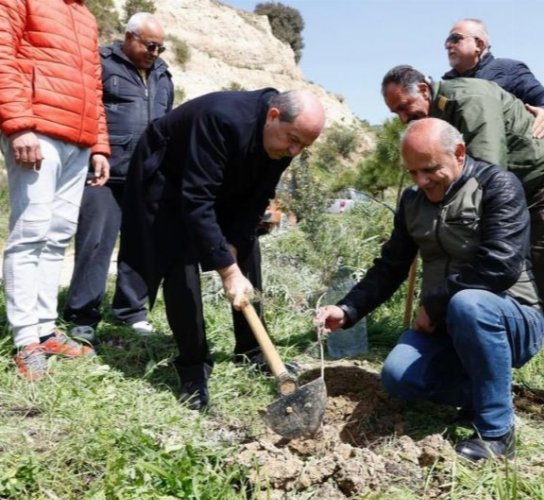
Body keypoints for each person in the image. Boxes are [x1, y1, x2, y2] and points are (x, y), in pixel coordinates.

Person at [316, 118, 544, 461]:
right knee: (398, 377)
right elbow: (390, 266)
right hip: (446, 326)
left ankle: (497, 433)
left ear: (459, 153)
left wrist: (435, 304)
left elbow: (500, 265)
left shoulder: (498, 186)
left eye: (429, 169)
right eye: (412, 172)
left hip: (512, 318)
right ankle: (482, 395)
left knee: (469, 304)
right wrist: (347, 310)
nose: (421, 181)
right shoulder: (412, 202)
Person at [381, 65, 544, 416]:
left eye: (404, 106)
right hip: (510, 190)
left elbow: (489, 177)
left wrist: (437, 301)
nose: (403, 117)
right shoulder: (434, 122)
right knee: (471, 281)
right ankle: (481, 373)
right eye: (396, 113)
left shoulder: (470, 100)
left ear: (423, 88)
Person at [119, 89, 325, 410]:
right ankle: (193, 366)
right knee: (181, 255)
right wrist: (227, 271)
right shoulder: (222, 118)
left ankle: (251, 349)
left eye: (304, 146)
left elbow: (256, 200)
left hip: (220, 179)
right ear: (273, 116)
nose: (295, 151)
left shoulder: (282, 145)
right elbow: (196, 201)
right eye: (293, 139)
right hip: (167, 174)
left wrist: (233, 247)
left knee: (247, 247)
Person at [0, 0, 110, 380]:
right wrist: (18, 125)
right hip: (37, 129)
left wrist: (99, 145)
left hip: (78, 141)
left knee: (58, 234)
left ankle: (46, 330)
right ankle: (25, 338)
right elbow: (2, 56)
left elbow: (94, 86)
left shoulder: (84, 16)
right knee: (30, 233)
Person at [63, 13, 174, 343]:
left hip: (146, 175)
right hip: (105, 171)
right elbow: (87, 108)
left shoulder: (163, 74)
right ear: (129, 37)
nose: (155, 53)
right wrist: (96, 149)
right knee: (95, 244)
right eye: (150, 45)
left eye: (160, 47)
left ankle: (130, 311)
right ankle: (82, 316)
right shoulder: (101, 61)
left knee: (141, 246)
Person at [442, 18, 544, 140]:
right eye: (447, 41)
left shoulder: (507, 70)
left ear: (479, 45)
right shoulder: (446, 88)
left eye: (455, 39)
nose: (448, 45)